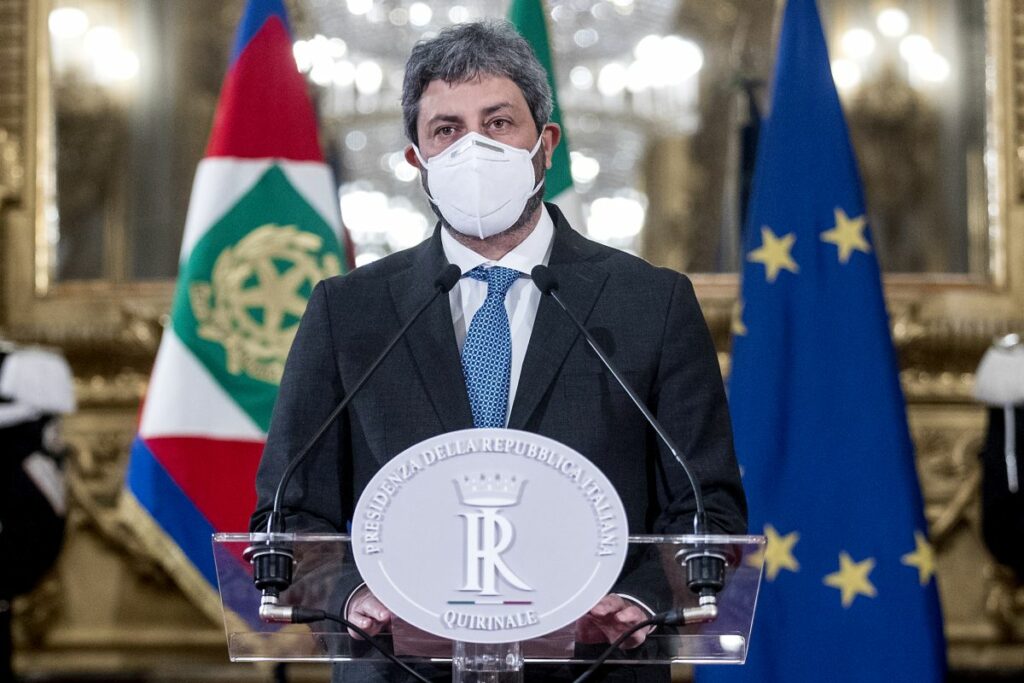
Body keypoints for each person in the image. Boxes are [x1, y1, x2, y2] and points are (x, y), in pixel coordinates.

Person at [252, 20, 746, 682]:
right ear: (416, 160)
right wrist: (351, 594)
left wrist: (638, 600)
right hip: (401, 666)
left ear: (546, 145)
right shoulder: (349, 311)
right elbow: (288, 511)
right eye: (447, 130)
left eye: (499, 122)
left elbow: (706, 508)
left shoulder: (649, 303)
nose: (473, 148)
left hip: (595, 665)